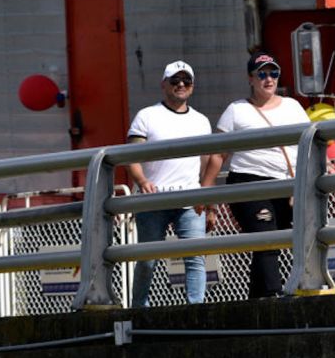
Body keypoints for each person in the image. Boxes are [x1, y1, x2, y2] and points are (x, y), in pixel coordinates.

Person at [216, 49, 311, 298]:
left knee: (277, 242)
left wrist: (323, 165)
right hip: (249, 181)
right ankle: (273, 294)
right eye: (262, 74)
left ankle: (257, 301)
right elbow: (216, 154)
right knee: (266, 239)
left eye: (274, 73)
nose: (269, 79)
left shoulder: (293, 106)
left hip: (288, 184)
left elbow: (309, 142)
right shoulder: (236, 110)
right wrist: (206, 195)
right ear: (250, 78)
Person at [126, 60, 221, 307]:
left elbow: (209, 160)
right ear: (163, 84)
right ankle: (139, 310)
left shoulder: (201, 120)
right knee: (148, 260)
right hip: (153, 198)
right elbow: (130, 156)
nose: (181, 85)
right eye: (175, 81)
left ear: (192, 86)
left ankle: (196, 308)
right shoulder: (146, 116)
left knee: (195, 258)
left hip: (190, 198)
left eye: (186, 81)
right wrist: (142, 181)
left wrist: (207, 198)